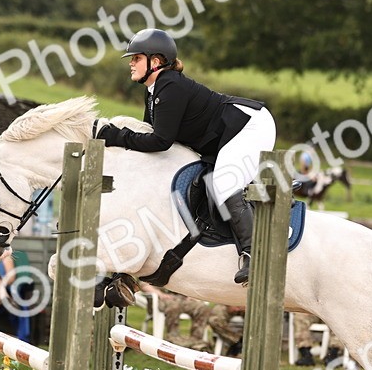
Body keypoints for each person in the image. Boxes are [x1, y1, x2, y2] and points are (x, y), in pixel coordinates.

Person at [95, 28, 277, 285]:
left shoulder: (169, 85)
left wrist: (114, 136)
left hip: (249, 125)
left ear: (155, 62)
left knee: (224, 183)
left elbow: (160, 141)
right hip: (225, 136)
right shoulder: (154, 91)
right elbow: (150, 136)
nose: (131, 64)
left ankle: (255, 254)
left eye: (136, 58)